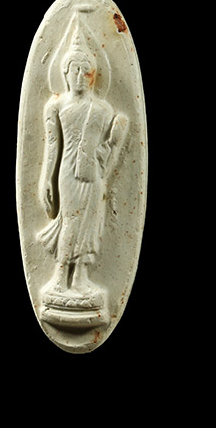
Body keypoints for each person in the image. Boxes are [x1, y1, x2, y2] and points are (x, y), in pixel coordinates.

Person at [38, 34, 127, 298]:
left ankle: (79, 278)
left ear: (93, 75)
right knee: (71, 220)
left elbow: (106, 151)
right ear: (65, 73)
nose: (79, 76)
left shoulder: (103, 109)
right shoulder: (56, 106)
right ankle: (59, 278)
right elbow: (52, 146)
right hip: (68, 173)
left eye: (84, 70)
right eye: (73, 70)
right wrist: (46, 179)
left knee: (90, 224)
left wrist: (113, 142)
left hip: (93, 175)